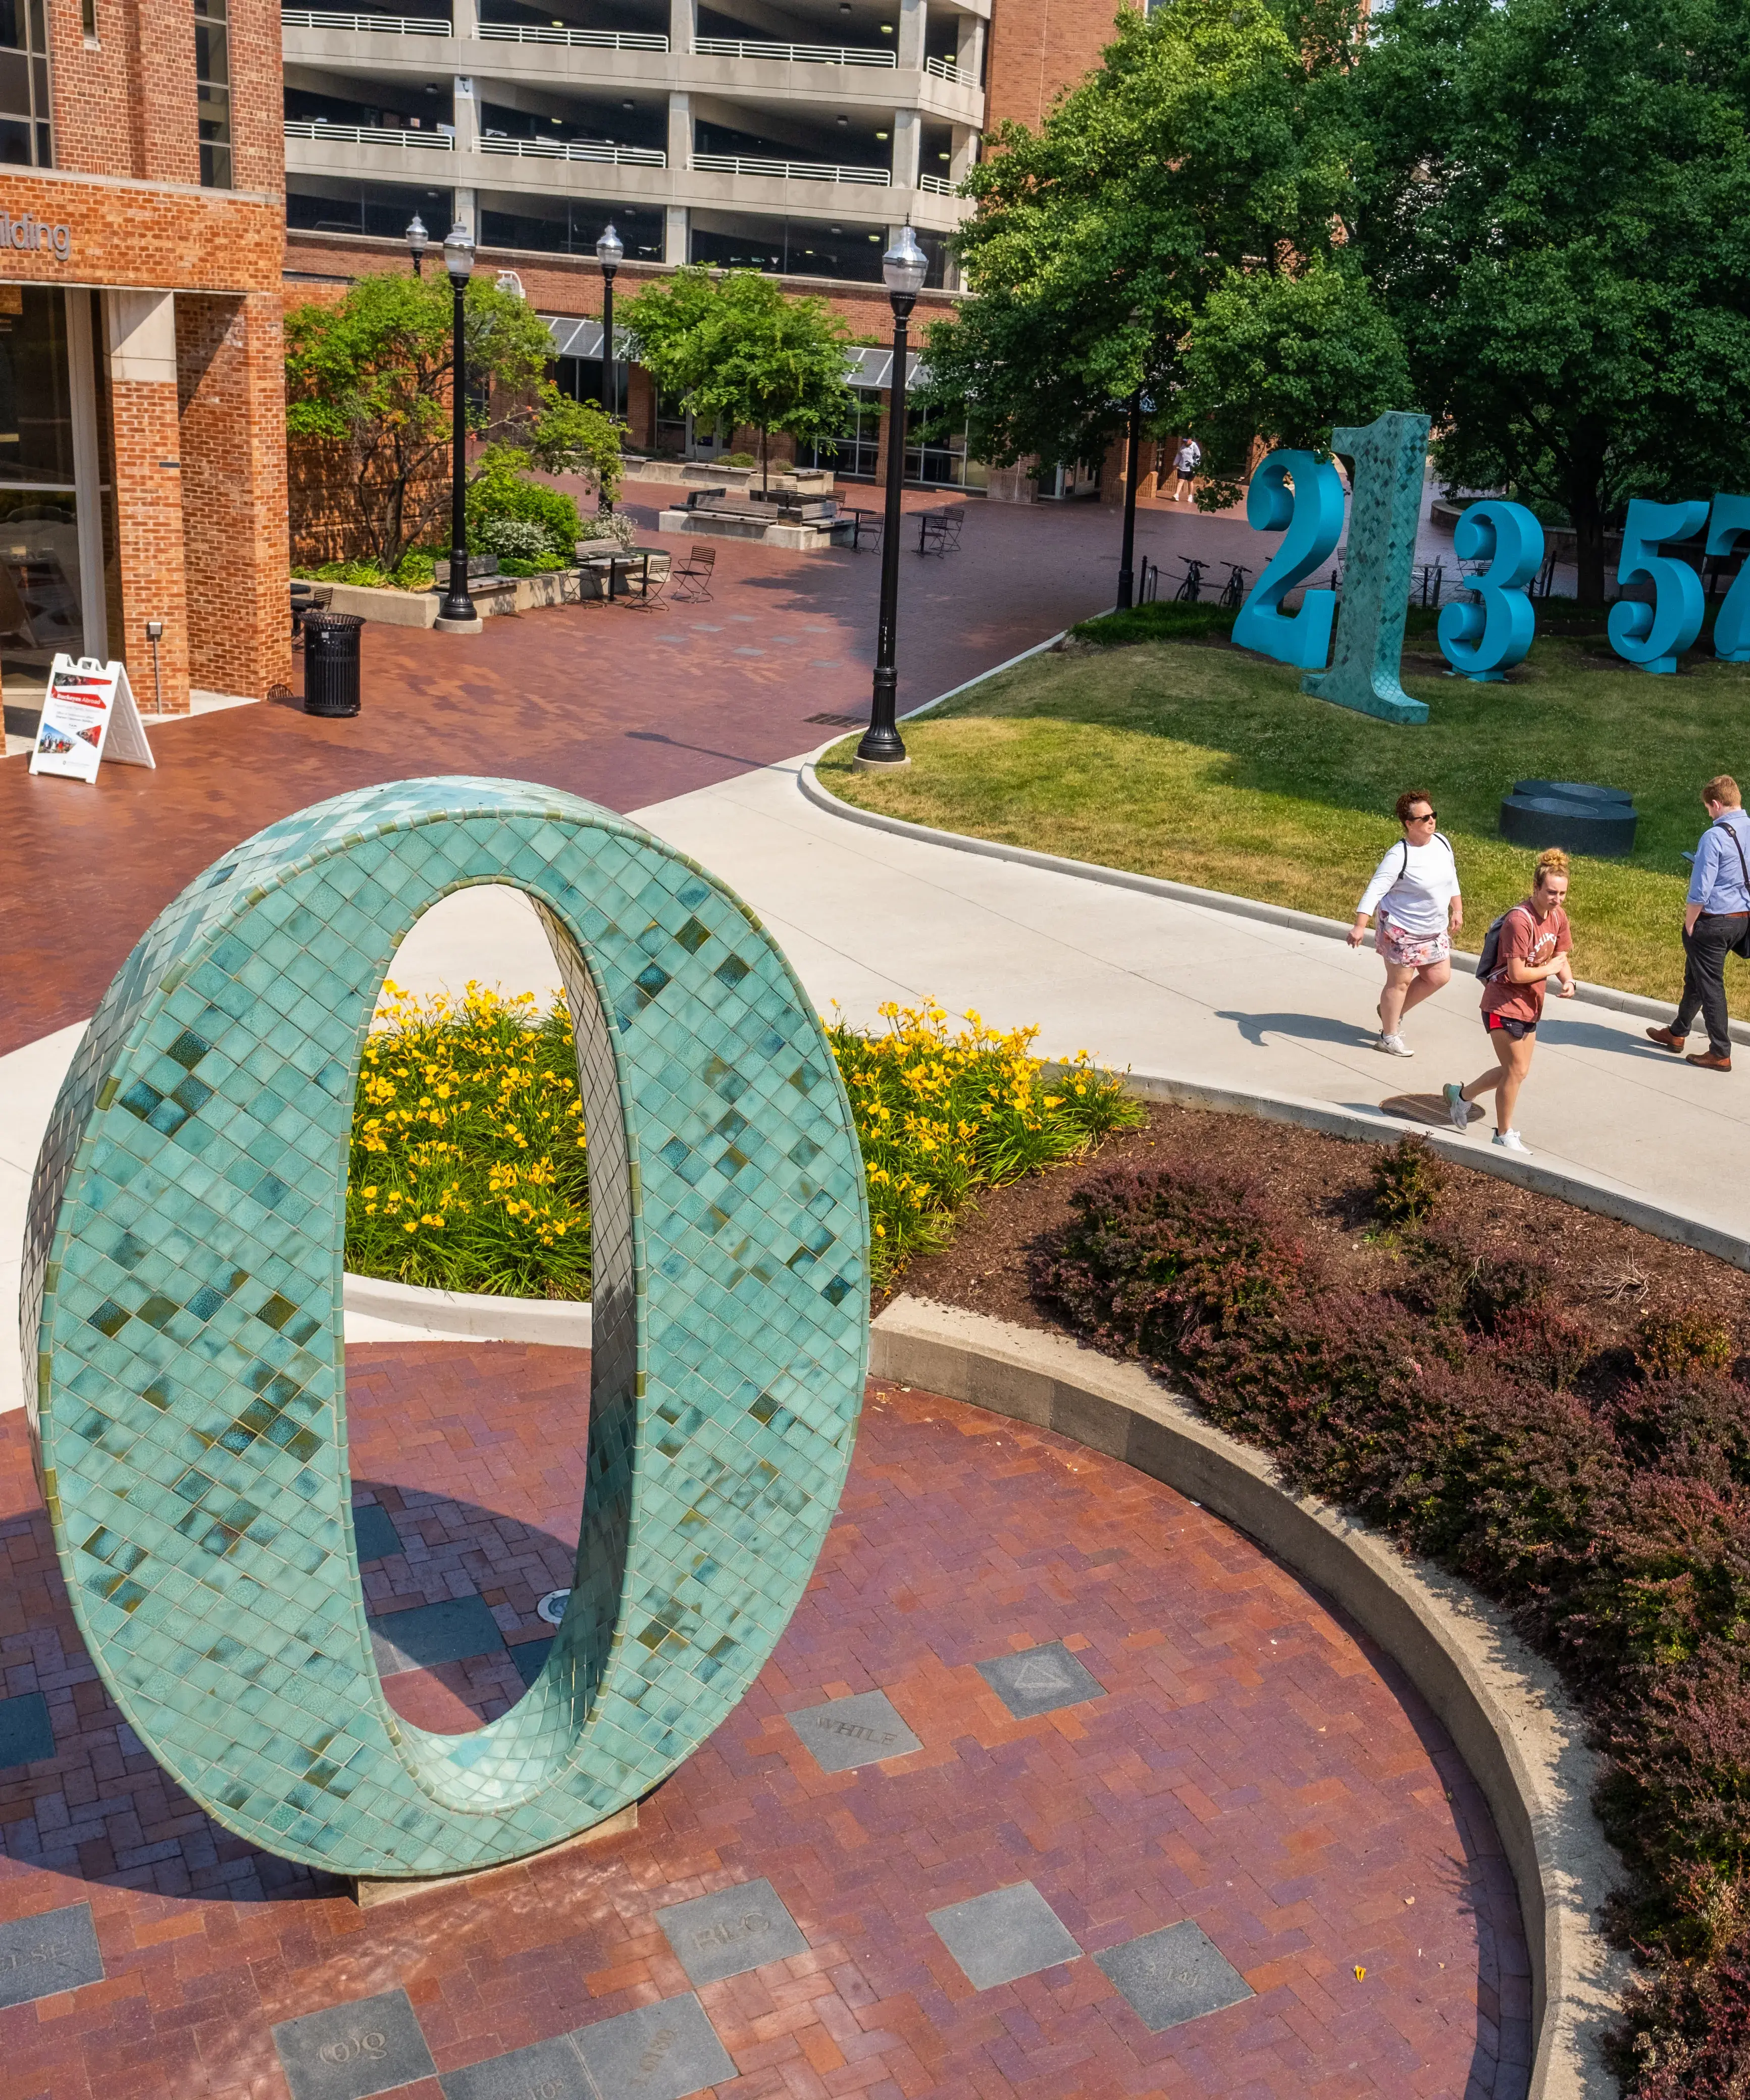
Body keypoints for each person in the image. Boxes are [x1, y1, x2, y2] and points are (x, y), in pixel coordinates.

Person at [1443, 848, 1574, 1154]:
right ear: (1536, 889)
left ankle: (1460, 1096)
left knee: (1515, 1071)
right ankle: (1503, 1135)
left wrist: (1567, 979)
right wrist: (1551, 970)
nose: (1557, 899)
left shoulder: (1558, 917)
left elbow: (1561, 955)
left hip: (1531, 1005)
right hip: (1502, 1004)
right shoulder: (1520, 920)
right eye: (1551, 892)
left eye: (1563, 893)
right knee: (1515, 1070)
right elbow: (1516, 974)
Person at [1644, 773, 1749, 1073]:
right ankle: (1677, 1033)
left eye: (1708, 807)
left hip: (1712, 923)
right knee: (1697, 978)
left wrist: (1690, 923)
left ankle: (1720, 1051)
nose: (1708, 812)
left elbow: (1701, 889)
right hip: (1742, 921)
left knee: (1710, 986)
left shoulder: (1714, 837)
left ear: (1716, 804)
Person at [1348, 791, 1463, 1056]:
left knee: (1439, 977)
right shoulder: (1400, 855)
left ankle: (1391, 1011)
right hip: (1402, 930)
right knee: (1399, 984)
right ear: (1409, 824)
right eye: (1424, 818)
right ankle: (1388, 1037)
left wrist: (1457, 908)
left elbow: (1451, 878)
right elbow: (1374, 891)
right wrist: (1359, 926)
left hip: (1433, 929)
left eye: (1433, 815)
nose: (1432, 821)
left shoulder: (1443, 843)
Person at [1168, 437, 1202, 505]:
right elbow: (1179, 455)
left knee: (1190, 481)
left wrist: (1196, 467)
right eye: (1184, 441)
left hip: (1191, 468)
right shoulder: (1183, 447)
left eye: (1186, 441)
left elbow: (1198, 456)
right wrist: (1175, 464)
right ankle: (1176, 495)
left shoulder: (1194, 446)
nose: (1185, 442)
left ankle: (1190, 496)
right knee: (1181, 481)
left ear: (1190, 440)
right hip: (1182, 467)